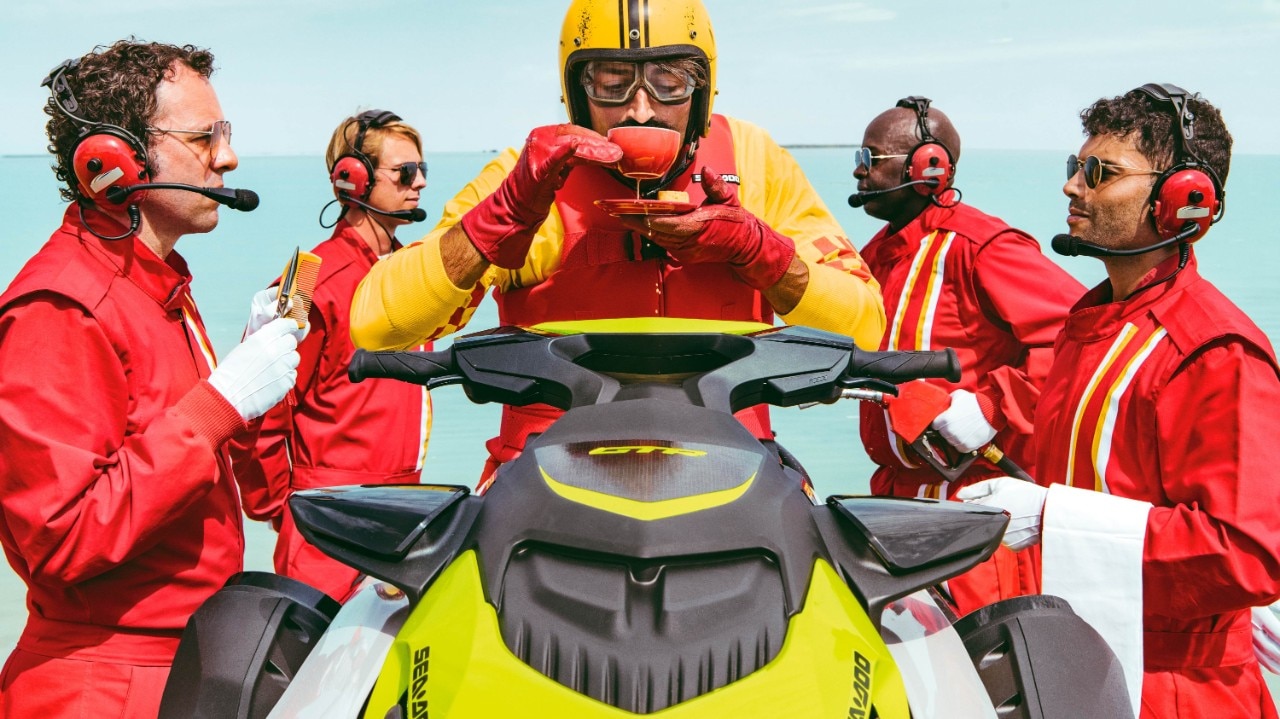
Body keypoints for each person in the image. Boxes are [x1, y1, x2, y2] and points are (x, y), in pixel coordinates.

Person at [350, 0, 885, 487]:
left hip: (733, 467)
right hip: (546, 476)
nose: (641, 111)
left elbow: (863, 324)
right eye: (611, 81)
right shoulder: (528, 172)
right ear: (575, 92)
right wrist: (507, 212)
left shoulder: (756, 160)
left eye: (670, 80)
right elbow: (378, 324)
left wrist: (756, 248)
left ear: (703, 88)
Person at [0, 41, 303, 717]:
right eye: (203, 138)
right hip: (104, 685)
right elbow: (61, 539)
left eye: (223, 137)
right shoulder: (62, 306)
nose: (225, 160)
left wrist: (244, 379)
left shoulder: (156, 286)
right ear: (111, 163)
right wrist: (216, 405)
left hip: (180, 664)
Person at [958, 84, 1280, 718]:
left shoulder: (1213, 351)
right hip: (1082, 659)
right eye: (1074, 168)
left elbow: (1247, 553)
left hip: (1175, 690)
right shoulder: (1095, 322)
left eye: (1099, 172)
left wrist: (1051, 518)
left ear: (1183, 201)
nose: (1072, 187)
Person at [850, 97, 1084, 615]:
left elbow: (1079, 336)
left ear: (927, 166)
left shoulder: (981, 246)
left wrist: (993, 406)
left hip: (972, 510)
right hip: (896, 501)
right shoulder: (876, 256)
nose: (857, 171)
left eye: (870, 158)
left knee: (981, 673)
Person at [231, 110, 434, 602]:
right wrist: (282, 509)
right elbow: (257, 403)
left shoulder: (414, 276)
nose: (421, 183)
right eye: (405, 173)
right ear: (353, 179)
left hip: (405, 512)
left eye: (422, 170)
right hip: (326, 525)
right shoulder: (304, 280)